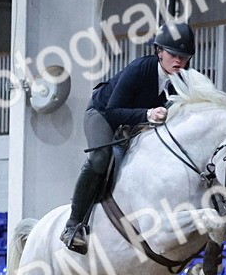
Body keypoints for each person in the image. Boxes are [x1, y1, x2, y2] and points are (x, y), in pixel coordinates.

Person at [59, 21, 196, 253]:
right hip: (102, 113)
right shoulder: (139, 69)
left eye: (184, 57)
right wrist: (147, 114)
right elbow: (113, 112)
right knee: (101, 158)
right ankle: (73, 225)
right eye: (173, 55)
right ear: (159, 51)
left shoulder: (184, 81)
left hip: (138, 125)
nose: (178, 61)